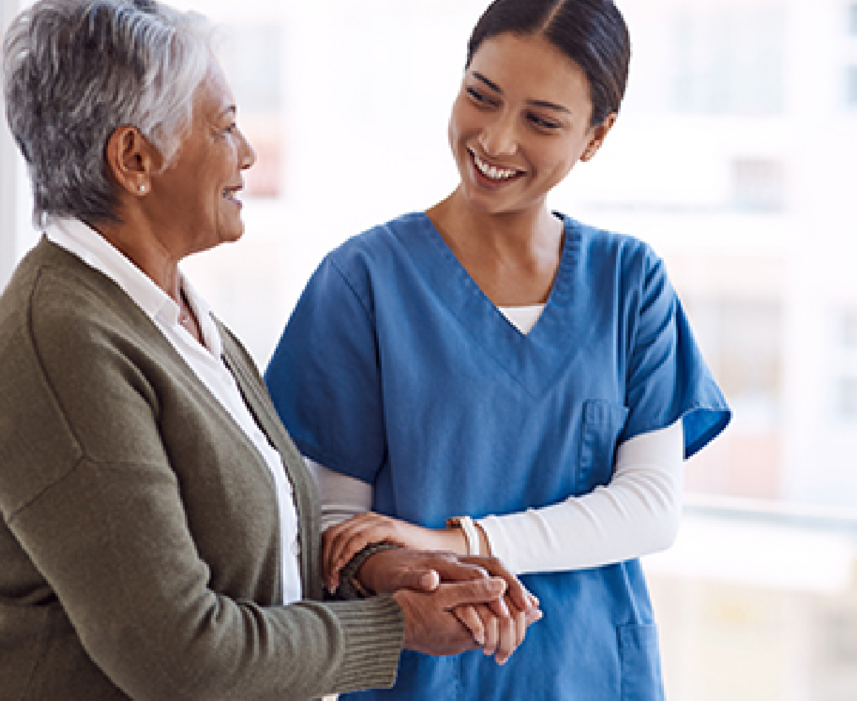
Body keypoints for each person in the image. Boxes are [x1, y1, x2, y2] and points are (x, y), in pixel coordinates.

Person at [0, 1, 541, 699]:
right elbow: (180, 657)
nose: (247, 152)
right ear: (135, 158)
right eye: (223, 127)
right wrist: (393, 626)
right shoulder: (64, 344)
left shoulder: (173, 316)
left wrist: (373, 570)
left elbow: (242, 560)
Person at [264, 0, 733, 698]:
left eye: (542, 121)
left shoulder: (629, 283)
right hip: (424, 674)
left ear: (596, 136)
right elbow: (341, 531)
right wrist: (409, 563)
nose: (496, 140)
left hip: (594, 672)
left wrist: (460, 541)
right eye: (480, 97)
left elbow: (650, 506)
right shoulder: (362, 282)